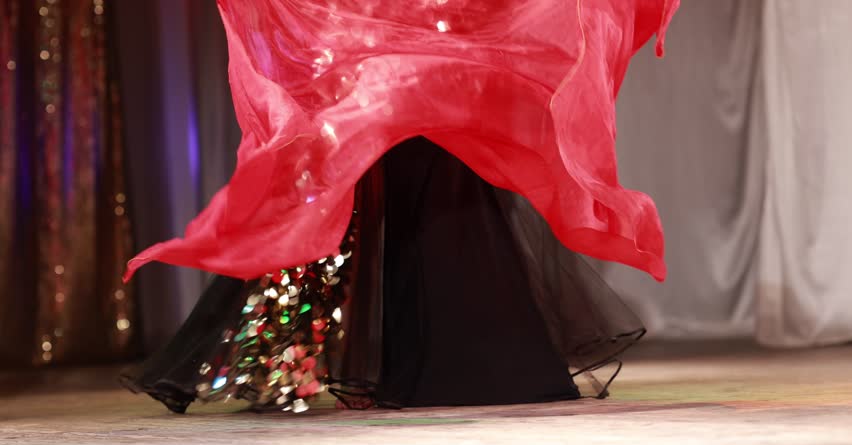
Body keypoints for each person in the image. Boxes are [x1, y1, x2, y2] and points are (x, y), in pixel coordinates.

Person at [121, 0, 679, 414]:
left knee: (419, 147)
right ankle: (297, 359)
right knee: (346, 160)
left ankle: (449, 360)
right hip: (371, 25)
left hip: (440, 27)